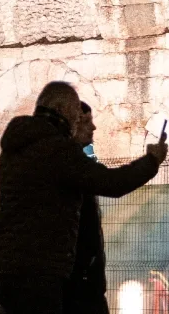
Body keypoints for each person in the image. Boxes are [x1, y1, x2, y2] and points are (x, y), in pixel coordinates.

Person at [0, 82, 166, 314]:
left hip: (7, 267)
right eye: (75, 114)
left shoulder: (15, 148)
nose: (76, 121)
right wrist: (152, 161)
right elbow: (111, 183)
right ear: (61, 108)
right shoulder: (56, 149)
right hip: (40, 268)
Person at [60, 103, 107, 314]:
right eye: (87, 122)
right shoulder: (70, 169)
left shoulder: (76, 166)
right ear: (74, 125)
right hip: (78, 287)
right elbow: (115, 182)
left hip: (87, 283)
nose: (94, 128)